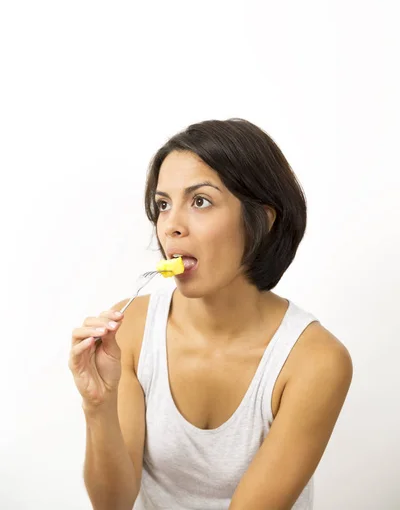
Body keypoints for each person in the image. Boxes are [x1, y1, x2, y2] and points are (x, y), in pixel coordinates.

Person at [69, 118, 353, 510]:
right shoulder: (130, 327)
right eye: (163, 205)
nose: (170, 227)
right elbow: (113, 503)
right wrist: (98, 407)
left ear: (263, 221)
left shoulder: (314, 361)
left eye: (200, 201)